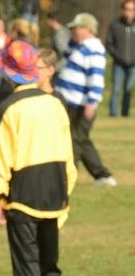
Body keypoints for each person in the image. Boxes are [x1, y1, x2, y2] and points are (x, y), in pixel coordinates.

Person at [0, 40, 77, 276]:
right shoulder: (55, 103)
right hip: (55, 189)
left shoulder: (10, 107)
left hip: (23, 192)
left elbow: (0, 154)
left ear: (10, 75)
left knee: (27, 263)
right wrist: (66, 194)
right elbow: (68, 155)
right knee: (50, 262)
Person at [55, 13, 117, 187]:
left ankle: (65, 179)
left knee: (74, 140)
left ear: (86, 29)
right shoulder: (78, 46)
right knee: (81, 140)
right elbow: (64, 60)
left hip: (80, 104)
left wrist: (92, 102)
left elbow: (96, 78)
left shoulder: (94, 49)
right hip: (68, 102)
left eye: (75, 28)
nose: (72, 31)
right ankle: (103, 176)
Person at [106, 0, 135, 117]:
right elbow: (109, 44)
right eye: (127, 9)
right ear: (122, 10)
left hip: (133, 64)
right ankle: (113, 113)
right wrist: (117, 56)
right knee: (116, 89)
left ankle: (125, 112)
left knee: (128, 89)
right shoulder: (115, 25)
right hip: (118, 63)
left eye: (132, 9)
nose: (129, 12)